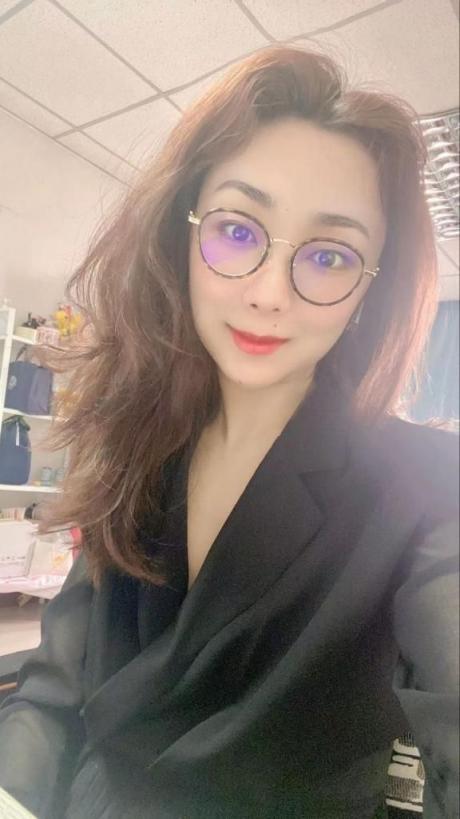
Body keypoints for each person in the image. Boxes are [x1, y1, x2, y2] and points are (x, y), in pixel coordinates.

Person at [0, 45, 458, 819]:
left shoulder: (427, 484)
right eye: (239, 231)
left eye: (329, 254)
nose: (270, 293)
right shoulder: (137, 444)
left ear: (368, 291)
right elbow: (52, 689)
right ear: (183, 235)